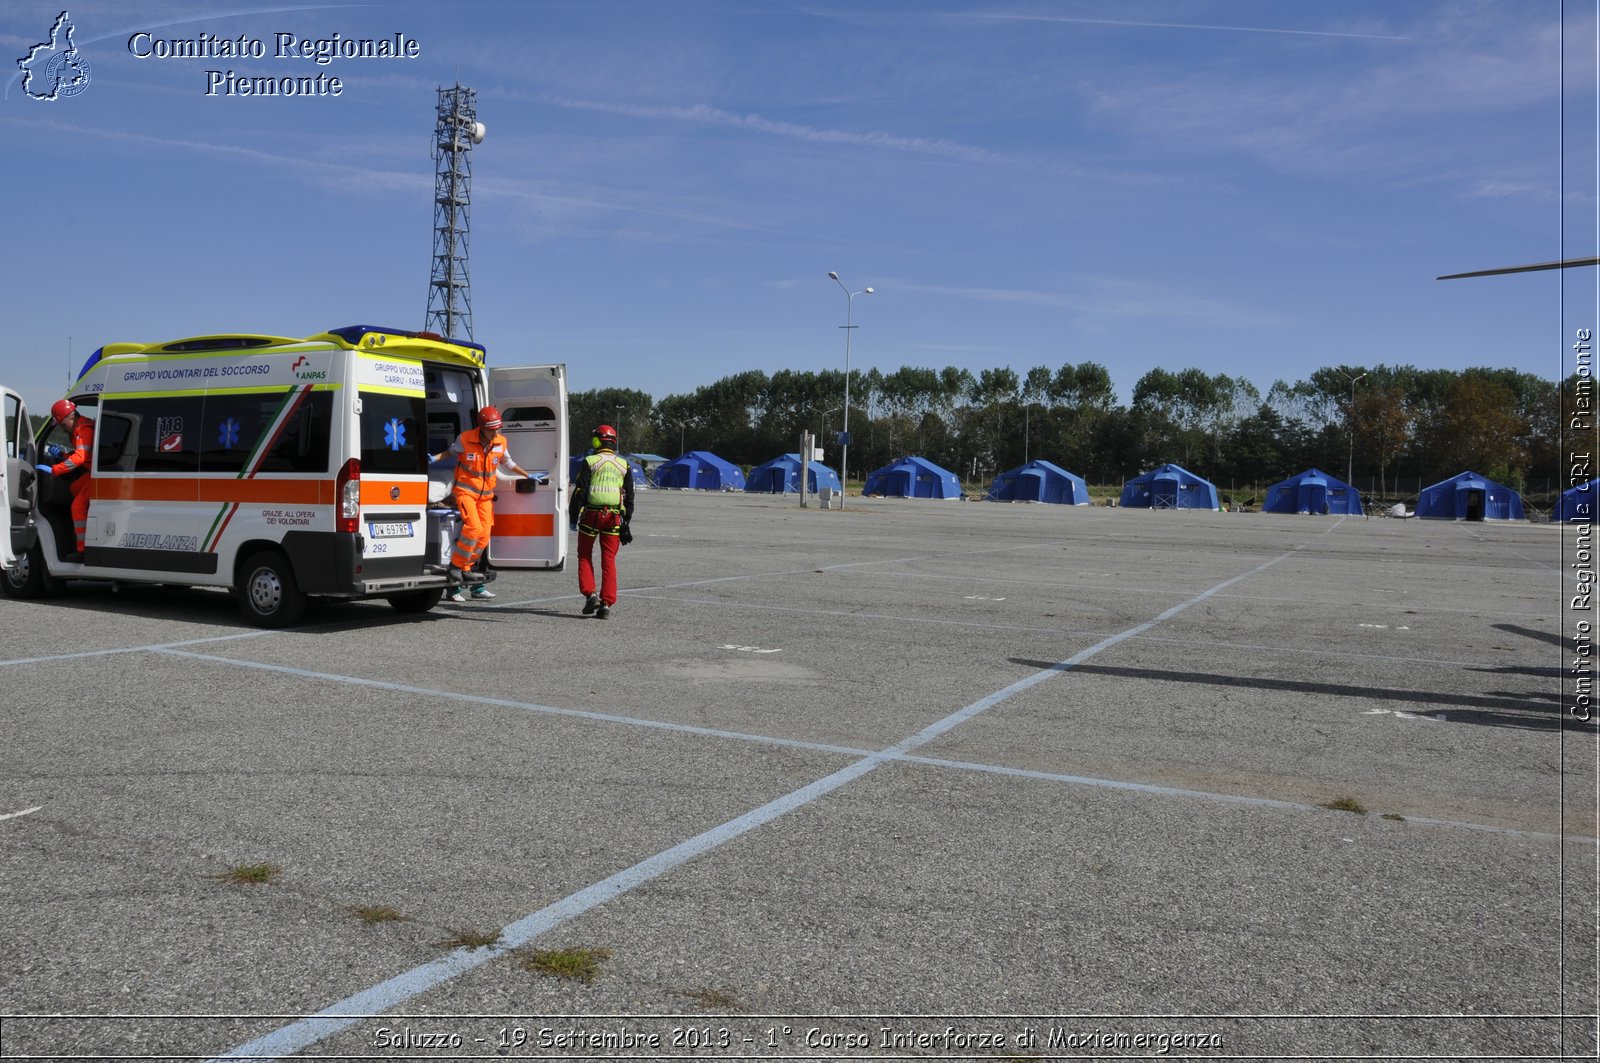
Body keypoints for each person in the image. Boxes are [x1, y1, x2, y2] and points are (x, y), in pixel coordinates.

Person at [428, 406, 536, 603]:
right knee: (473, 528)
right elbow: (449, 453)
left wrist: (528, 475)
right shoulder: (465, 439)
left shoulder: (500, 442)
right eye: (492, 429)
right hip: (466, 493)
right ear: (481, 428)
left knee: (484, 534)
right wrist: (434, 459)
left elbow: (508, 463)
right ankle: (456, 567)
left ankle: (466, 568)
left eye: (498, 429)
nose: (496, 432)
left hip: (485, 497)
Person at [568, 423, 634, 619]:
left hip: (591, 516)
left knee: (585, 555)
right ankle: (606, 604)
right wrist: (626, 522)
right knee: (609, 560)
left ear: (598, 440)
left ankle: (590, 594)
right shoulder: (624, 465)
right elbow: (630, 497)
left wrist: (573, 517)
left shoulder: (590, 461)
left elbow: (580, 492)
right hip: (613, 518)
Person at [34, 398, 94, 562]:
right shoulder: (79, 429)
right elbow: (86, 457)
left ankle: (83, 552)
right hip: (92, 472)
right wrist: (62, 455)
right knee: (74, 488)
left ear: (71, 417)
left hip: (96, 474)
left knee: (78, 506)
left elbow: (80, 458)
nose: (62, 428)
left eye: (62, 424)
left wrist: (55, 470)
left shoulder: (83, 429)